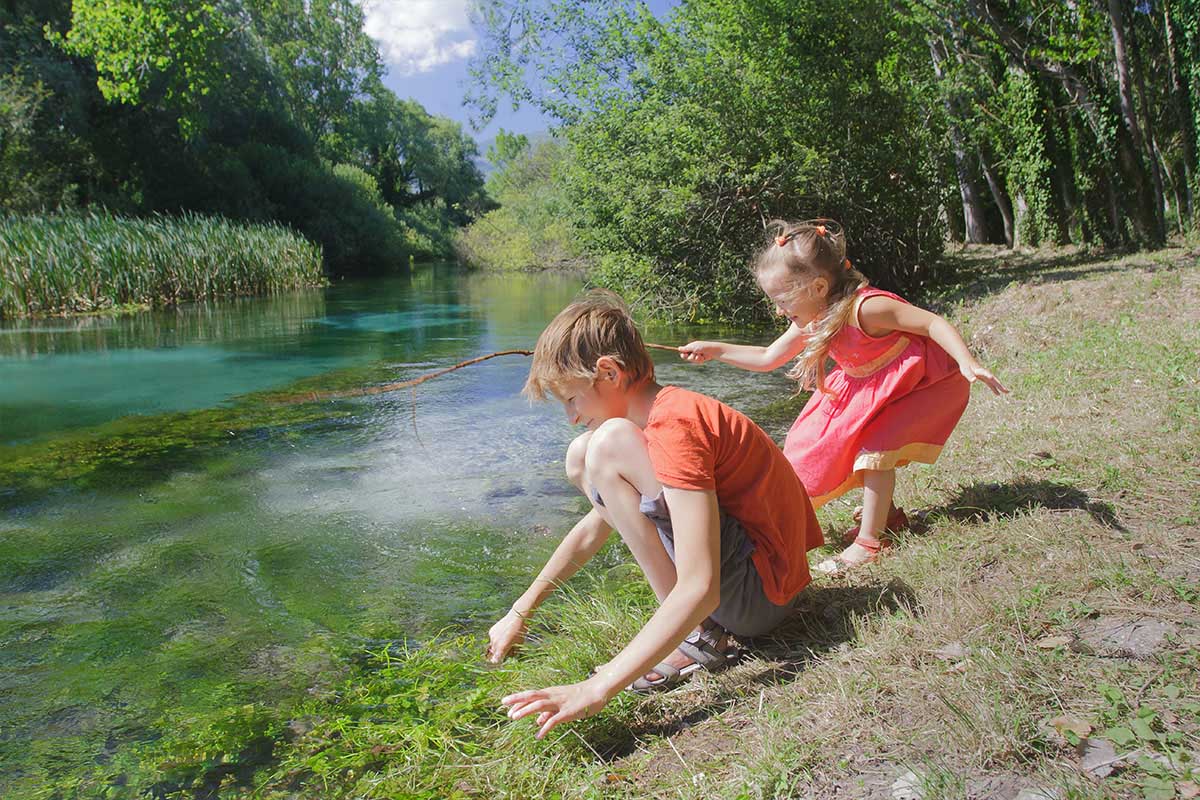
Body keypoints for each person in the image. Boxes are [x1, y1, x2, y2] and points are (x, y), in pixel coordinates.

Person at [488, 290, 822, 739]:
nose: (569, 415)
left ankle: (700, 638)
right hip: (755, 583)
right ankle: (698, 632)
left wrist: (597, 687)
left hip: (762, 597)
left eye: (571, 399)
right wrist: (520, 611)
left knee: (604, 446)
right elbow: (596, 527)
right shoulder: (661, 417)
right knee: (582, 453)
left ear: (609, 372)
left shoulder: (673, 427)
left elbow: (701, 587)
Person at [679, 219, 1007, 573]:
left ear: (818, 286)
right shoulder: (814, 316)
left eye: (782, 299)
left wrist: (968, 362)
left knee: (876, 447)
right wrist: (715, 349)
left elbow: (931, 323)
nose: (778, 310)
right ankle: (889, 518)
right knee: (811, 446)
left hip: (926, 382)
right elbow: (767, 358)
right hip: (871, 384)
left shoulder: (866, 309)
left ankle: (869, 544)